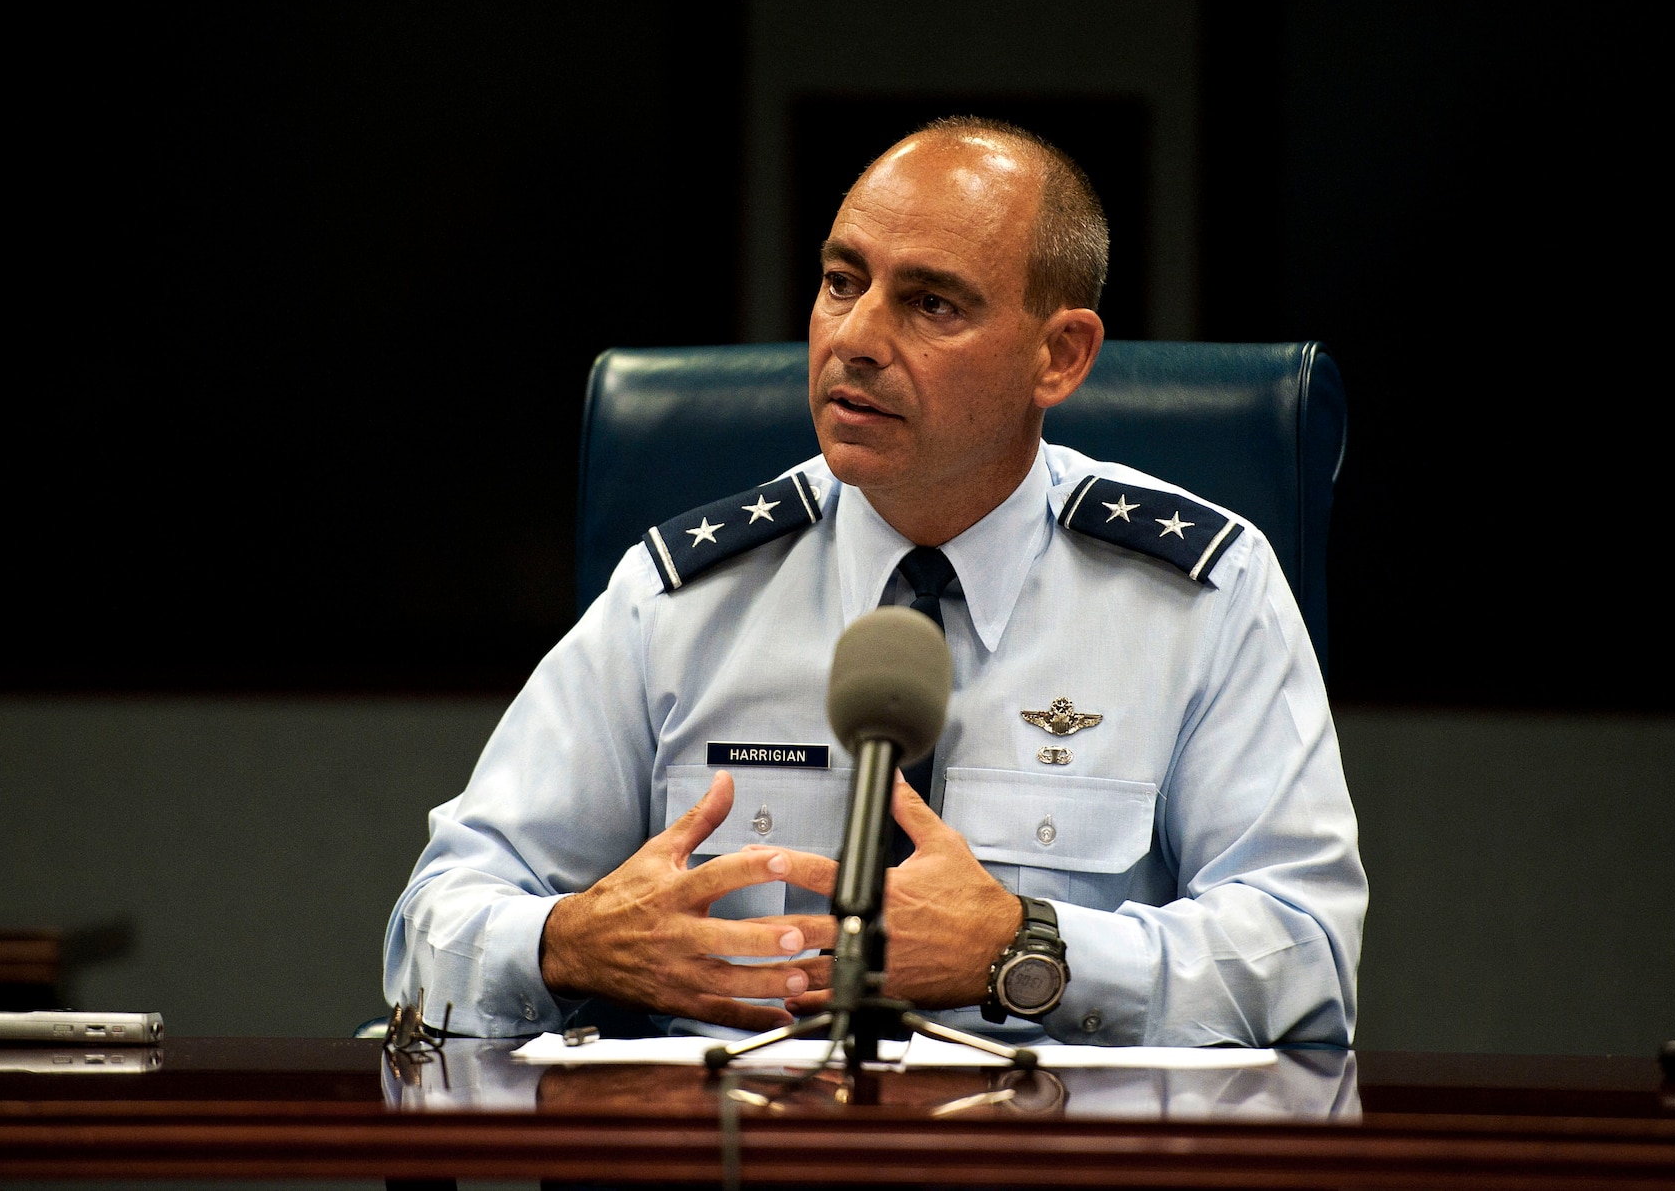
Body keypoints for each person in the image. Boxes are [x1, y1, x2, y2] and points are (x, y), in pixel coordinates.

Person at [384, 117, 1366, 1046]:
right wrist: (566, 943)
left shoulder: (1202, 590)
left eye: (930, 301)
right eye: (840, 280)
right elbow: (432, 921)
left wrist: (1025, 947)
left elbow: (1305, 957)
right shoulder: (682, 595)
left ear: (1058, 356)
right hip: (740, 1163)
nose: (853, 336)